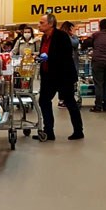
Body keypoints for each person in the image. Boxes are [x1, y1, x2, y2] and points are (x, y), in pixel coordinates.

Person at [36, 13, 84, 141]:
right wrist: (40, 57)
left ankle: (78, 131)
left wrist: (49, 58)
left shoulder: (62, 36)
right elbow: (44, 52)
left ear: (51, 24)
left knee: (70, 102)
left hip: (63, 76)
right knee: (44, 101)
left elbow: (65, 56)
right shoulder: (44, 38)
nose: (39, 25)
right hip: (48, 76)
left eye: (42, 23)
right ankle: (48, 132)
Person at [83, 18, 106, 112]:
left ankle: (98, 106)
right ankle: (105, 105)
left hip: (98, 61)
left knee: (98, 84)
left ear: (99, 26)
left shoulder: (96, 35)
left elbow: (86, 43)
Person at [58, 21, 80, 108]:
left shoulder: (59, 36)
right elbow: (75, 43)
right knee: (68, 82)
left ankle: (63, 100)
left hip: (62, 63)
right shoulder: (66, 36)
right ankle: (65, 100)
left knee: (63, 82)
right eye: (73, 28)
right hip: (68, 62)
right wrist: (74, 35)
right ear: (70, 28)